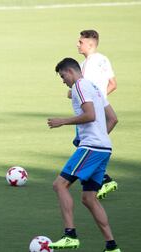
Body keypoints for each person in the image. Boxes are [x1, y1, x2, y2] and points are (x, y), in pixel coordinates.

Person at [47, 58, 120, 252]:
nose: (63, 81)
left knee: (59, 185)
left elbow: (90, 115)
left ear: (70, 71)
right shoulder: (95, 87)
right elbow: (113, 118)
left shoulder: (79, 86)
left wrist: (62, 121)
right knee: (89, 198)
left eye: (63, 76)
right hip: (104, 148)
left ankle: (70, 235)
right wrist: (101, 137)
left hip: (91, 147)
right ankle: (111, 246)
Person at [70, 30, 118, 199]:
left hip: (89, 110)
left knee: (85, 143)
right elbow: (113, 84)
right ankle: (101, 178)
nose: (77, 44)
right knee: (94, 140)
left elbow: (82, 88)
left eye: (80, 42)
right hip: (102, 105)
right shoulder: (103, 59)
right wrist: (101, 99)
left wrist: (74, 94)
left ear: (90, 44)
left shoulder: (87, 65)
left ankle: (103, 179)